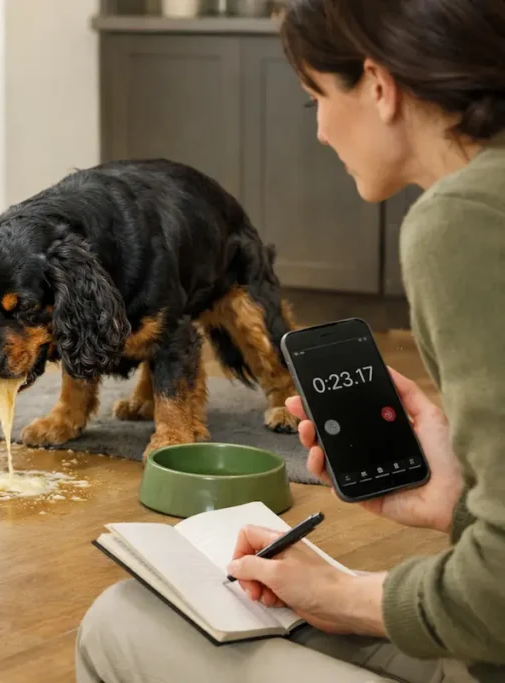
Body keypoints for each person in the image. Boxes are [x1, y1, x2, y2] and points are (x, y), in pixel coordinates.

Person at [74, 1, 505, 681]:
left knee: (121, 620)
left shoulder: (463, 221)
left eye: (314, 101)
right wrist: (459, 488)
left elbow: (497, 592)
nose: (322, 133)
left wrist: (346, 596)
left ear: (379, 84)